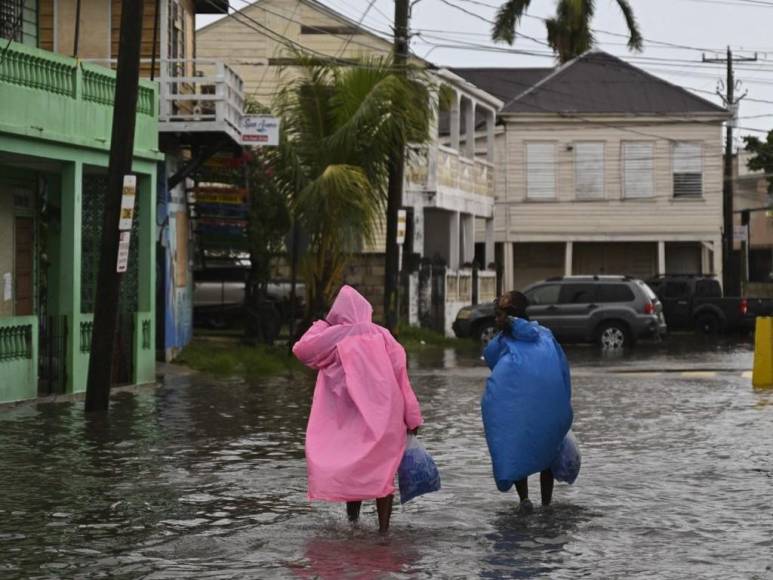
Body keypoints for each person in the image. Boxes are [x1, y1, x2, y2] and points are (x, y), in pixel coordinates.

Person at [292, 285, 423, 532]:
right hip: (386, 417)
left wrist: (322, 325)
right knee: (383, 474)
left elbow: (302, 349)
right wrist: (412, 418)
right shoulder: (383, 335)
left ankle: (353, 523)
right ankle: (384, 531)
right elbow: (401, 378)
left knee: (355, 466)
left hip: (346, 419)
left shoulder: (333, 337)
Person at [481, 291, 573, 511]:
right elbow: (563, 369)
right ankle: (547, 503)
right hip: (550, 407)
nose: (495, 319)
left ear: (510, 317)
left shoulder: (504, 340)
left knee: (515, 446)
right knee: (548, 450)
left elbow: (490, 357)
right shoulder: (545, 335)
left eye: (499, 315)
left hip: (517, 409)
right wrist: (565, 403)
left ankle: (524, 500)